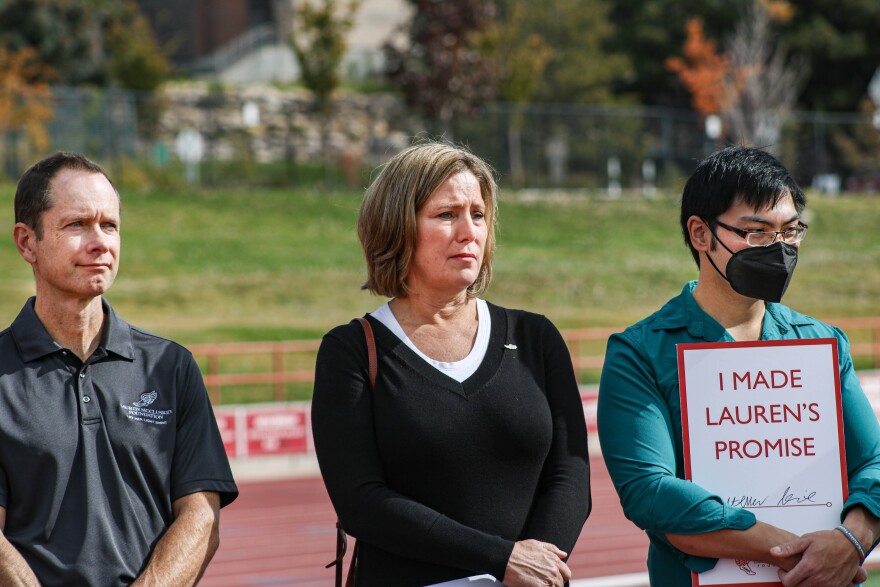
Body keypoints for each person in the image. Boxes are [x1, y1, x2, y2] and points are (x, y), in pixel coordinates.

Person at [597, 146, 880, 587]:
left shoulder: (821, 343)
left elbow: (875, 462)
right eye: (757, 233)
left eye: (791, 231)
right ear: (700, 234)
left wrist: (849, 542)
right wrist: (799, 552)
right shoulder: (641, 352)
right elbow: (650, 492)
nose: (780, 249)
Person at [311, 142, 591, 587]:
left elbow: (570, 475)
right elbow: (361, 502)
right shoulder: (350, 351)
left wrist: (539, 568)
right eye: (447, 215)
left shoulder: (536, 337)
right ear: (396, 227)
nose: (469, 232)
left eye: (478, 215)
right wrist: (501, 560)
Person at [0, 151, 239, 586]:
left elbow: (201, 514)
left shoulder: (171, 367)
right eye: (76, 225)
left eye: (109, 225)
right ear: (26, 242)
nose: (100, 242)